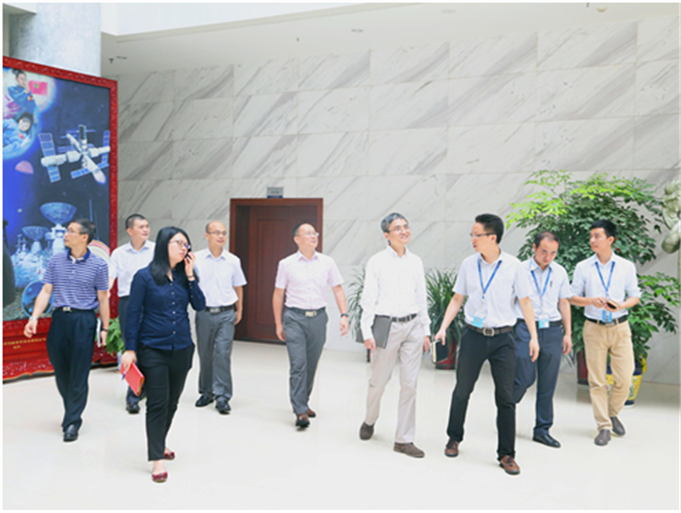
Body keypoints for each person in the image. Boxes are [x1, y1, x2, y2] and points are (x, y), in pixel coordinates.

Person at [434, 213, 538, 475]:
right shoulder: (469, 264)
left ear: (492, 237)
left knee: (505, 397)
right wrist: (443, 327)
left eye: (476, 234)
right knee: (462, 390)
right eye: (472, 234)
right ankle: (454, 438)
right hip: (473, 336)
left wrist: (534, 337)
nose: (472, 239)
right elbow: (457, 298)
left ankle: (507, 454)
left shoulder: (514, 266)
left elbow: (525, 302)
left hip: (503, 338)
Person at [120, 227, 205, 483]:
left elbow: (199, 305)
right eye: (178, 243)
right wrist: (130, 349)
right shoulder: (144, 277)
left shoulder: (185, 276)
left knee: (172, 403)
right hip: (153, 349)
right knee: (157, 403)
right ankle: (157, 458)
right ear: (164, 245)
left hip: (182, 348)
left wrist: (190, 276)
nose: (183, 248)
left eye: (186, 244)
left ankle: (160, 441)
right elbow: (133, 314)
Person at [23, 219, 109, 443]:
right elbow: (46, 291)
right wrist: (34, 317)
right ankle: (72, 408)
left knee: (79, 372)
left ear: (84, 237)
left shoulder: (99, 265)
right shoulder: (56, 260)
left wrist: (105, 328)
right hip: (60, 319)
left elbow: (103, 299)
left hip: (84, 320)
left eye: (71, 231)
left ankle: (72, 422)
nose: (65, 234)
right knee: (61, 370)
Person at [358, 213, 431, 458]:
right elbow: (368, 298)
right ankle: (369, 420)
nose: (404, 231)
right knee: (379, 381)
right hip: (386, 326)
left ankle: (403, 439)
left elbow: (421, 297)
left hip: (413, 326)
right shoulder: (377, 262)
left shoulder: (416, 261)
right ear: (387, 235)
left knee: (410, 384)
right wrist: (367, 331)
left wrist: (426, 330)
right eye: (398, 228)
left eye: (406, 226)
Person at [570, 219, 641, 447]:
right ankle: (603, 426)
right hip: (594, 328)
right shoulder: (583, 267)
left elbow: (635, 295)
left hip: (620, 327)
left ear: (610, 239)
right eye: (591, 236)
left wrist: (621, 305)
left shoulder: (625, 266)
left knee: (625, 378)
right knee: (597, 381)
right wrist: (591, 300)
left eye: (597, 236)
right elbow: (572, 297)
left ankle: (612, 414)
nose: (592, 240)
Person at [272, 222, 349, 428]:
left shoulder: (327, 262)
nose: (313, 235)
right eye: (308, 233)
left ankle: (303, 402)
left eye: (314, 232)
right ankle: (299, 410)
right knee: (298, 364)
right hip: (294, 319)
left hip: (318, 318)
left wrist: (344, 315)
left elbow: (338, 289)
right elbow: (278, 294)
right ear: (297, 239)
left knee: (311, 363)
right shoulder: (286, 264)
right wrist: (278, 323)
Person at [513, 231, 572, 448]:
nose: (548, 257)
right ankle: (506, 406)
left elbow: (564, 302)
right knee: (524, 377)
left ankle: (542, 429)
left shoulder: (560, 271)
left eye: (553, 253)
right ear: (534, 248)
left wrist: (568, 333)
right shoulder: (520, 270)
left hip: (552, 330)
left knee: (548, 382)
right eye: (544, 251)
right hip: (525, 328)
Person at [193, 221, 247, 414]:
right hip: (204, 313)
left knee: (222, 354)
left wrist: (239, 309)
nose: (221, 236)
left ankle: (223, 396)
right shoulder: (196, 259)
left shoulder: (233, 260)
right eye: (216, 232)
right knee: (205, 354)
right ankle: (206, 392)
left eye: (223, 233)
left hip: (226, 313)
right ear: (207, 235)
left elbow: (238, 286)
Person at [108, 213, 155, 414]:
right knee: (130, 347)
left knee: (150, 345)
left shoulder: (156, 250)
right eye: (141, 226)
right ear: (129, 231)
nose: (145, 229)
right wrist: (103, 294)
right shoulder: (119, 253)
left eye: (147, 226)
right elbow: (110, 278)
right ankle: (133, 393)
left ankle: (148, 387)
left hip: (151, 302)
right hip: (128, 302)